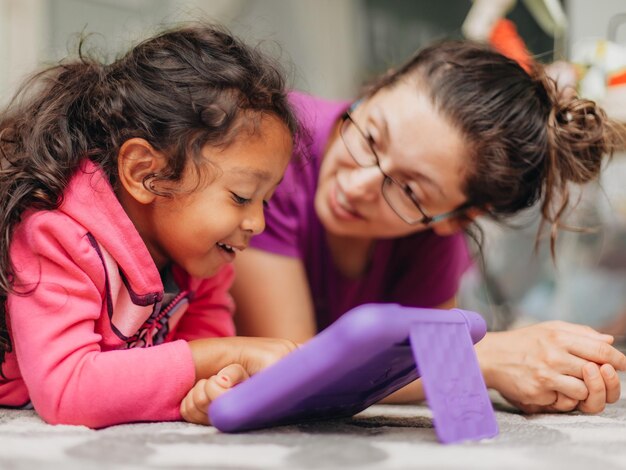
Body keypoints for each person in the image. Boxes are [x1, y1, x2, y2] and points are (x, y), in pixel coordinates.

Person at [232, 40, 626, 414]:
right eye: (370, 137)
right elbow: (293, 368)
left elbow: (429, 362)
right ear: (379, 85)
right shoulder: (275, 152)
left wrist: (545, 378)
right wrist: (490, 360)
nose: (356, 186)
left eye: (407, 189)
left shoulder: (428, 230)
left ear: (455, 218)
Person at [0, 24, 300, 428]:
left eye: (267, 200)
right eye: (242, 196)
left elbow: (199, 360)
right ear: (145, 173)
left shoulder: (200, 259)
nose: (258, 222)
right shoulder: (55, 236)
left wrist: (212, 387)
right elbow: (67, 391)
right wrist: (223, 355)